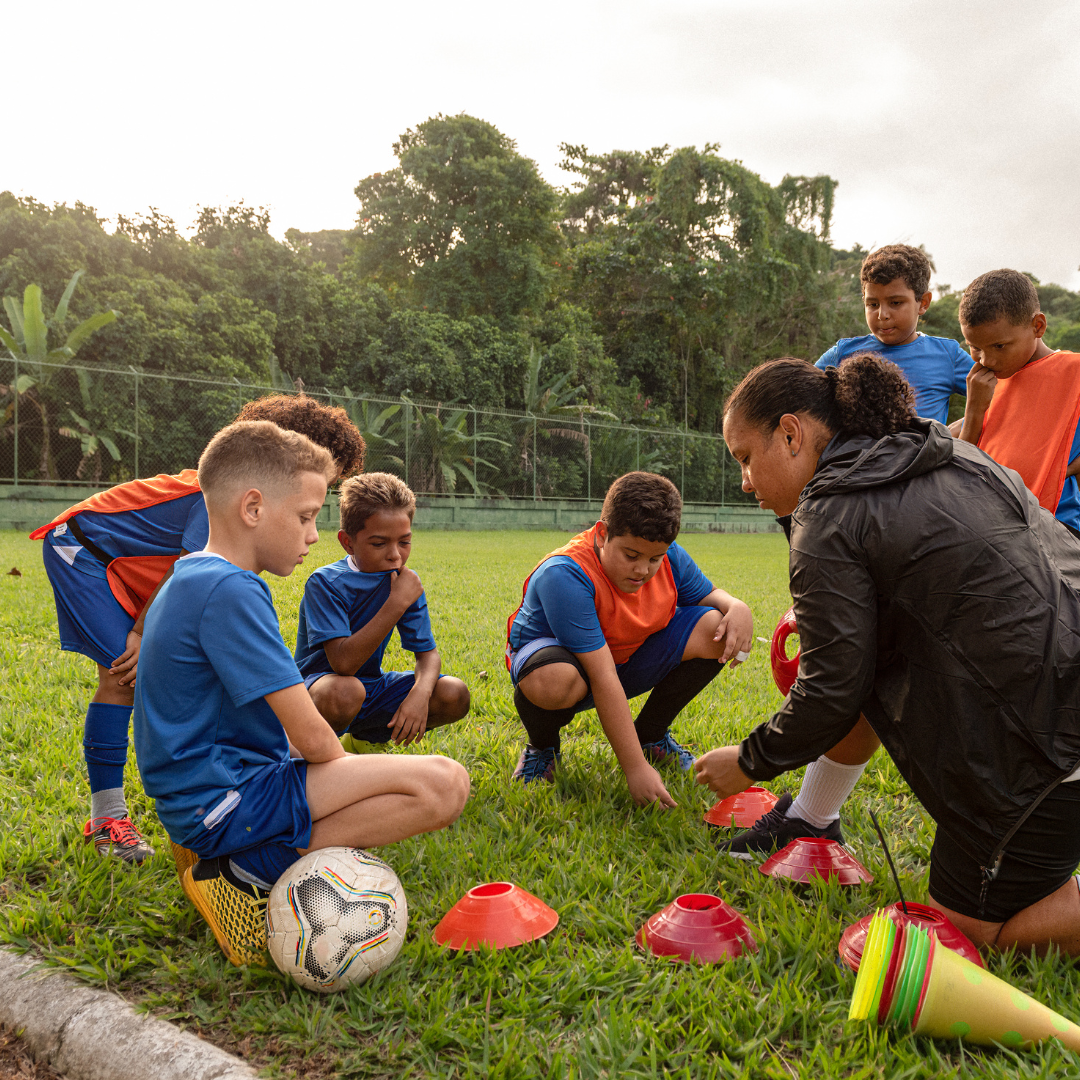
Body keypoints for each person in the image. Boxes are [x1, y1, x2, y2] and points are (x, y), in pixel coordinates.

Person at [697, 354, 1080, 956]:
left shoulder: (829, 511)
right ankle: (812, 816)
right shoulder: (949, 452)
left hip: (1050, 755)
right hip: (1060, 696)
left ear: (792, 434)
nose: (745, 481)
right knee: (875, 661)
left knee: (972, 934)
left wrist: (749, 761)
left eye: (746, 458)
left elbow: (832, 688)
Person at [132, 422, 470, 966]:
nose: (314, 536)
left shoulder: (188, 575)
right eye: (307, 516)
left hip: (201, 796)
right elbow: (312, 733)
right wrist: (342, 787)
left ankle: (236, 850)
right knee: (444, 786)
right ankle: (246, 871)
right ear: (253, 508)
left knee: (400, 782)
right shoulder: (232, 588)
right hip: (222, 801)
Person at [30, 395, 367, 865]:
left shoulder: (252, 500)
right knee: (122, 674)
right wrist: (143, 634)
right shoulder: (213, 496)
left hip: (128, 564)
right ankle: (108, 817)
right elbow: (188, 566)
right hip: (83, 552)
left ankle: (219, 790)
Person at [506, 472, 753, 808]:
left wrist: (736, 606)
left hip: (624, 657)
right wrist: (634, 769)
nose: (643, 570)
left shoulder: (668, 556)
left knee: (717, 627)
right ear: (603, 533)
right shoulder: (564, 575)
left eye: (654, 559)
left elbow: (709, 595)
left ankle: (650, 734)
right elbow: (603, 676)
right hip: (564, 667)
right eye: (631, 555)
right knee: (553, 680)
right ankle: (542, 747)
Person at [294, 472, 470, 750]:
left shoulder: (404, 582)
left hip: (369, 687)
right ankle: (315, 751)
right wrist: (397, 602)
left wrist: (419, 696)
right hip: (318, 690)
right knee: (346, 691)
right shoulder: (326, 583)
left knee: (453, 693)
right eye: (379, 544)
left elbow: (428, 656)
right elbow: (343, 663)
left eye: (404, 541)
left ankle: (364, 741)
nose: (395, 555)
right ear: (348, 542)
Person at [954, 269, 1080, 534]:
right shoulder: (986, 385)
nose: (986, 360)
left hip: (1057, 529)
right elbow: (956, 473)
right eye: (974, 347)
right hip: (989, 528)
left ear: (1038, 326)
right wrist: (974, 411)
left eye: (999, 346)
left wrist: (1063, 469)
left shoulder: (1073, 371)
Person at [816, 244, 971, 425]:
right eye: (873, 304)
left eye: (895, 302)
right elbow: (801, 396)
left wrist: (949, 436)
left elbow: (999, 398)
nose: (883, 315)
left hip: (924, 454)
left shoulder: (947, 355)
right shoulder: (843, 352)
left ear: (923, 303)